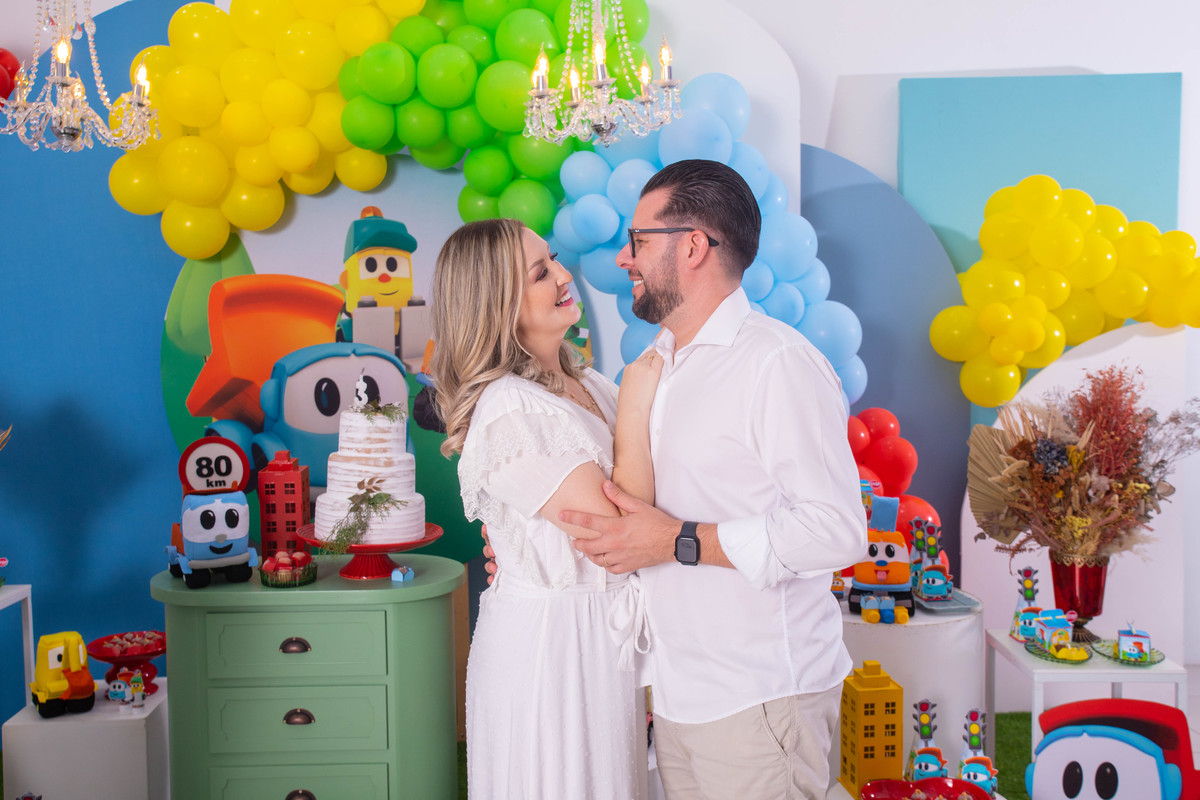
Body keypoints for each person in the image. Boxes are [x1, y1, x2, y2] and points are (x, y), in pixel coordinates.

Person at [559, 159, 868, 799]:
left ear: (693, 245)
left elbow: (836, 531)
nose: (624, 258)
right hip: (679, 694)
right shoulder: (657, 366)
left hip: (762, 696)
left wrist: (678, 540)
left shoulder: (777, 363)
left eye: (639, 240)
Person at [430, 218, 662, 800]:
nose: (563, 275)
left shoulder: (589, 384)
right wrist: (638, 403)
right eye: (540, 273)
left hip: (596, 644)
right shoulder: (510, 408)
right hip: (553, 654)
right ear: (498, 307)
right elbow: (621, 532)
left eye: (553, 259)